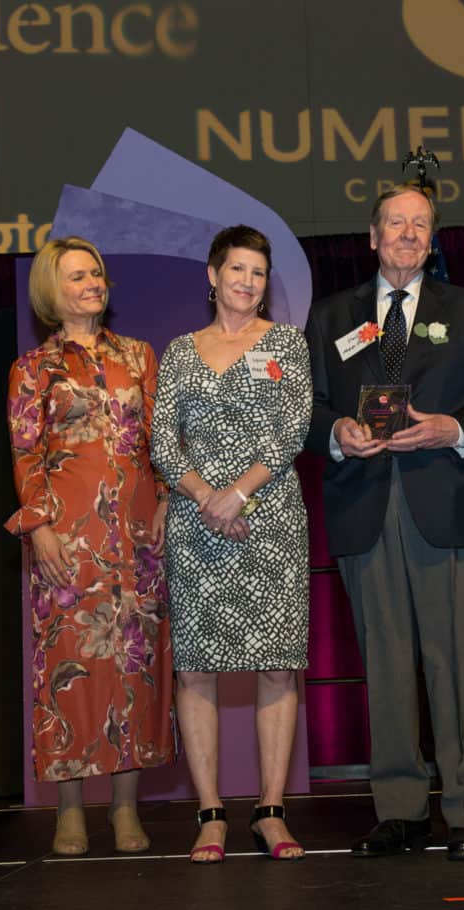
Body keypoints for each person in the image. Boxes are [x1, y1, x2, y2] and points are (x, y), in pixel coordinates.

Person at [304, 184, 464, 861]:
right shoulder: (331, 316)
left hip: (443, 503)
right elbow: (307, 411)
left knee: (456, 663)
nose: (407, 234)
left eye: (420, 224)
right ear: (372, 237)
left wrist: (452, 427)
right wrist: (336, 432)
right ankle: (399, 811)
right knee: (386, 667)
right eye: (395, 222)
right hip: (365, 506)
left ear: (432, 239)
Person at [5, 237, 176, 857]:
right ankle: (70, 810)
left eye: (97, 273)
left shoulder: (138, 354)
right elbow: (26, 453)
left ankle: (125, 807)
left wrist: (164, 499)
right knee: (69, 671)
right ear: (52, 290)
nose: (93, 283)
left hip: (135, 539)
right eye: (78, 276)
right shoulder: (32, 368)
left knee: (135, 667)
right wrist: (39, 526)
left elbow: (160, 439)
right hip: (67, 541)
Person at [151, 225, 312, 863]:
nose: (247, 281)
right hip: (197, 526)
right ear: (212, 276)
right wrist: (206, 497)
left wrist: (238, 494)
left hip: (269, 520)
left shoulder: (286, 343)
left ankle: (271, 811)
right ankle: (211, 813)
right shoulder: (180, 351)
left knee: (277, 665)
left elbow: (293, 426)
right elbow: (164, 443)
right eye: (237, 269)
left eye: (258, 272)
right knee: (195, 669)